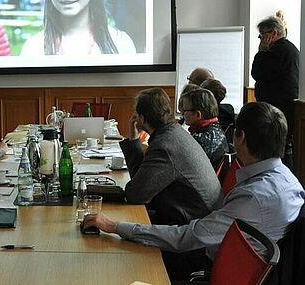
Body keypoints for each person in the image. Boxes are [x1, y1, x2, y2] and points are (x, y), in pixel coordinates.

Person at [83, 102, 305, 280]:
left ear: (241, 137)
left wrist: (115, 226)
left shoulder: (255, 196)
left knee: (123, 260)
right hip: (226, 260)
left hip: (204, 263)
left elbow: (186, 238)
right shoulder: (290, 181)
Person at [119, 87, 221, 226]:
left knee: (119, 221)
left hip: (190, 227)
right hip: (196, 216)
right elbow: (140, 183)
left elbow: (136, 195)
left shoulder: (164, 146)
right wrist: (134, 137)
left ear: (141, 118)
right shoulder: (174, 133)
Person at [251, 15, 299, 170]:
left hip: (278, 110)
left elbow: (257, 72)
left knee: (277, 150)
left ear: (273, 34)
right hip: (285, 109)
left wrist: (260, 52)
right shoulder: (290, 48)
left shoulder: (277, 51)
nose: (260, 39)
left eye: (262, 35)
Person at [178, 88, 229, 169]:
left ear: (198, 115)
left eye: (185, 110)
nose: (182, 113)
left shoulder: (198, 141)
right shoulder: (218, 130)